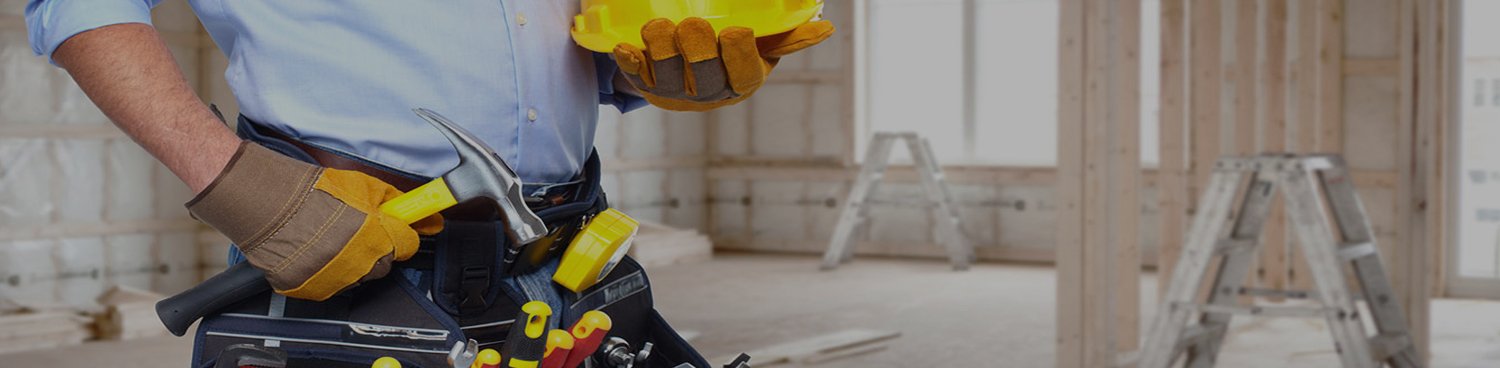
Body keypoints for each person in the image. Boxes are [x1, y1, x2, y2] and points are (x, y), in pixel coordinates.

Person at [25, 1, 832, 366]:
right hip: (353, 262)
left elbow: (565, 43)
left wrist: (657, 70)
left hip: (573, 257)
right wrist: (235, 181)